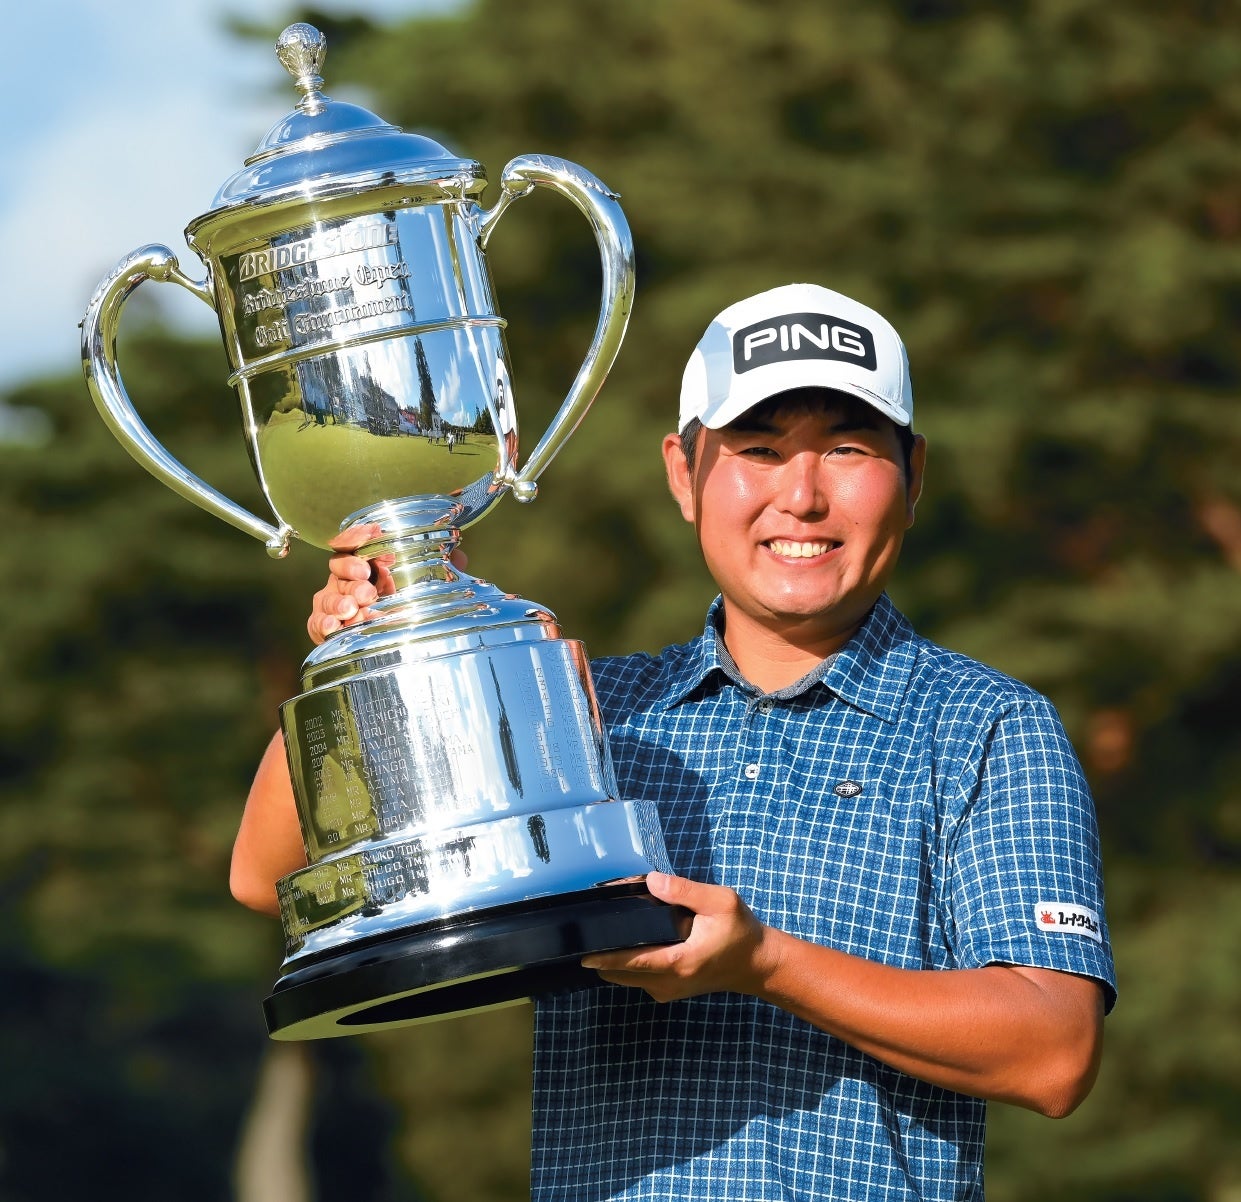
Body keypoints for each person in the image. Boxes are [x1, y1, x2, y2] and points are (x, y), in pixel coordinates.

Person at [232, 283, 1116, 1201]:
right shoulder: (587, 709)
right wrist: (367, 652)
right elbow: (270, 876)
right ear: (682, 475)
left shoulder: (984, 725)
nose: (802, 497)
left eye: (847, 449)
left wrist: (763, 963)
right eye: (759, 450)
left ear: (913, 474)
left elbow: (1053, 1050)